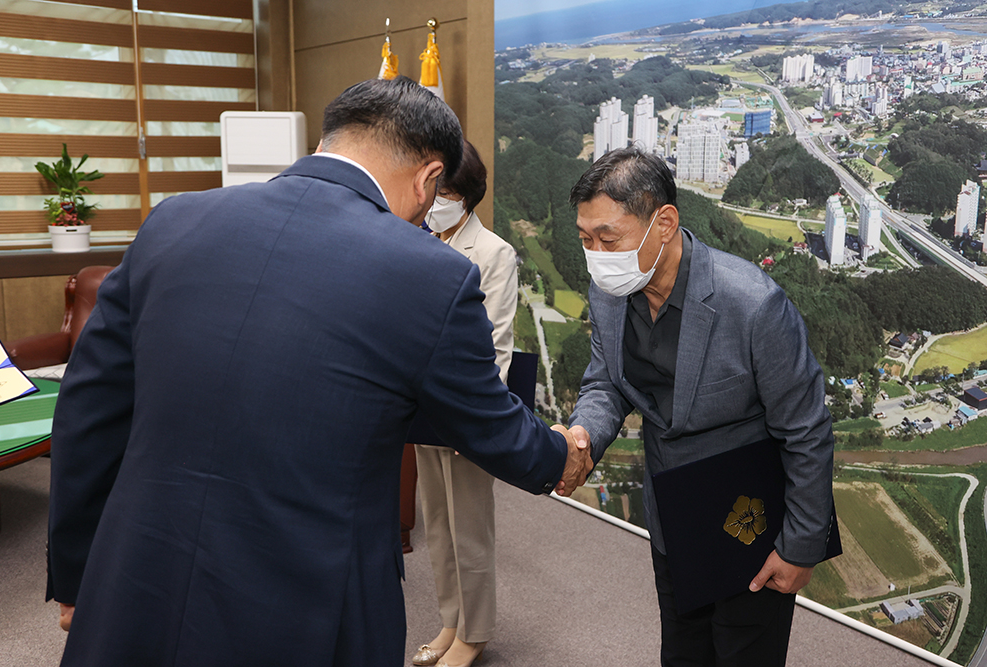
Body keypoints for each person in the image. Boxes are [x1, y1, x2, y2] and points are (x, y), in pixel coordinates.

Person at [45, 76, 592, 667]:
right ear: (430, 180)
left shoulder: (172, 222)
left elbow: (88, 409)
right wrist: (560, 455)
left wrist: (77, 574)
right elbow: (487, 422)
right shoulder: (429, 274)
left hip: (137, 580)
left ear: (332, 139)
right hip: (306, 606)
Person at [563, 146, 834, 667]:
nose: (596, 254)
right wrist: (582, 437)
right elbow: (607, 383)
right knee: (683, 654)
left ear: (663, 223)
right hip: (673, 518)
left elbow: (806, 431)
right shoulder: (609, 291)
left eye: (608, 239)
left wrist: (802, 547)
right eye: (585, 240)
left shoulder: (754, 306)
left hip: (747, 523)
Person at [412, 140, 514, 667]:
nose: (437, 201)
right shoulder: (419, 242)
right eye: (435, 189)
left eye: (447, 192)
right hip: (421, 409)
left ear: (467, 196)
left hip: (467, 414)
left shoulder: (494, 253)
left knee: (470, 530)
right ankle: (451, 620)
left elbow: (494, 349)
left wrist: (464, 414)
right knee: (437, 527)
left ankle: (475, 633)